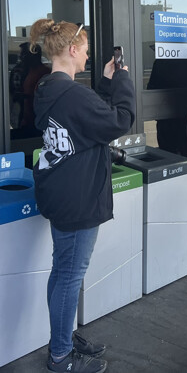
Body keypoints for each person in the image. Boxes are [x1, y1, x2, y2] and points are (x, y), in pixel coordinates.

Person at [31, 19, 136, 373]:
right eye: (86, 50)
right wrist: (122, 79)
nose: (89, 56)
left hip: (60, 191)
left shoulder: (49, 89)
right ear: (72, 50)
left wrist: (105, 82)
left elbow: (89, 119)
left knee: (62, 272)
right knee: (70, 274)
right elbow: (119, 121)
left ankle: (63, 336)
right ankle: (60, 356)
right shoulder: (73, 95)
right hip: (78, 197)